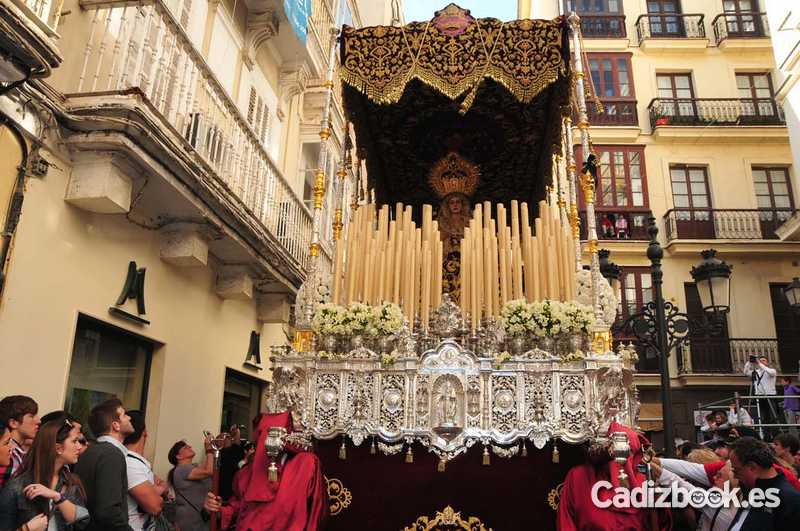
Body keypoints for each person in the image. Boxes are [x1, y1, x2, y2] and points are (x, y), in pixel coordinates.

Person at [203, 411, 329, 531]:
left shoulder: (305, 466)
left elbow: (316, 514)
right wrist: (218, 510)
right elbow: (238, 509)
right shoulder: (245, 474)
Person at [557, 421, 669, 530]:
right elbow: (566, 522)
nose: (622, 463)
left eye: (629, 453)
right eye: (617, 453)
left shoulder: (645, 481)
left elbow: (662, 522)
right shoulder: (579, 477)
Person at [0, 419, 89, 531]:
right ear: (58, 448)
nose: (79, 447)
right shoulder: (17, 486)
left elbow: (82, 521)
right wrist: (26, 529)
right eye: (74, 441)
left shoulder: (71, 483)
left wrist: (57, 497)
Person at [75, 398, 135, 531]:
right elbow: (108, 511)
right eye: (124, 415)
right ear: (116, 425)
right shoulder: (111, 454)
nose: (129, 417)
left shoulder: (90, 451)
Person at [729, 436, 800, 530]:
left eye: (736, 471)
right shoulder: (749, 488)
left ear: (752, 467)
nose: (734, 476)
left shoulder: (790, 501)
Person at [124, 410, 167, 531]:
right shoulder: (130, 463)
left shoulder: (138, 462)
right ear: (145, 433)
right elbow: (155, 506)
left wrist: (155, 489)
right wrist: (161, 488)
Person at [168, 437, 214, 530]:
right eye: (185, 447)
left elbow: (209, 467)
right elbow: (209, 471)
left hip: (198, 518)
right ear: (178, 456)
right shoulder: (181, 469)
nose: (190, 446)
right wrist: (209, 449)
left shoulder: (193, 467)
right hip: (190, 521)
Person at [437, 192, 472, 302]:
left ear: (462, 205)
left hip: (465, 258)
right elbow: (437, 240)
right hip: (446, 260)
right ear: (447, 206)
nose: (455, 205)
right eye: (452, 203)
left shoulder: (469, 222)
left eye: (458, 202)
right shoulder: (441, 222)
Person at [0, 395, 40, 487]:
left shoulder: (21, 454)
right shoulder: (6, 455)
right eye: (32, 416)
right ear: (14, 423)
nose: (38, 420)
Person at [743, 356, 778, 434]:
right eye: (760, 360)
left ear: (767, 362)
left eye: (764, 360)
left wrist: (759, 363)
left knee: (773, 416)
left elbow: (770, 372)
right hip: (760, 396)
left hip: (770, 395)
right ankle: (766, 435)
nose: (762, 362)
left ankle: (775, 435)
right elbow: (745, 372)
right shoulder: (756, 372)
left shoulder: (772, 371)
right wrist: (749, 362)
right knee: (763, 417)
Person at [218, 425, 245, 502]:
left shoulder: (233, 451)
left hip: (235, 493)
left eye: (229, 437)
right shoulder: (221, 454)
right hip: (225, 494)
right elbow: (236, 446)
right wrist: (237, 433)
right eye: (225, 437)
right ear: (218, 442)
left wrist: (237, 433)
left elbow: (236, 446)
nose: (228, 438)